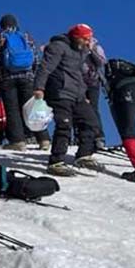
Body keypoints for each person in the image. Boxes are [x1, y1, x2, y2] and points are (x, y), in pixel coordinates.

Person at [34, 24, 100, 176]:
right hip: (60, 92)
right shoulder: (58, 46)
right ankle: (56, 161)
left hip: (77, 94)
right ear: (77, 37)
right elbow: (45, 68)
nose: (88, 41)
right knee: (64, 125)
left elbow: (77, 74)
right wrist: (39, 88)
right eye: (85, 38)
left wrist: (84, 95)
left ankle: (84, 154)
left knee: (91, 122)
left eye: (89, 38)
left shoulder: (81, 51)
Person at [0, 14, 40, 151]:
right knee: (30, 107)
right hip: (27, 77)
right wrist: (33, 76)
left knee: (12, 109)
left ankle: (17, 141)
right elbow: (36, 58)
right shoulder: (25, 37)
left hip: (6, 78)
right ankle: (42, 138)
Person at [84, 36, 108, 149]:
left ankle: (99, 137)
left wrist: (91, 50)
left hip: (93, 82)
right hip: (78, 82)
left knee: (93, 108)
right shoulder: (74, 48)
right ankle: (82, 137)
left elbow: (101, 62)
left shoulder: (96, 48)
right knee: (78, 109)